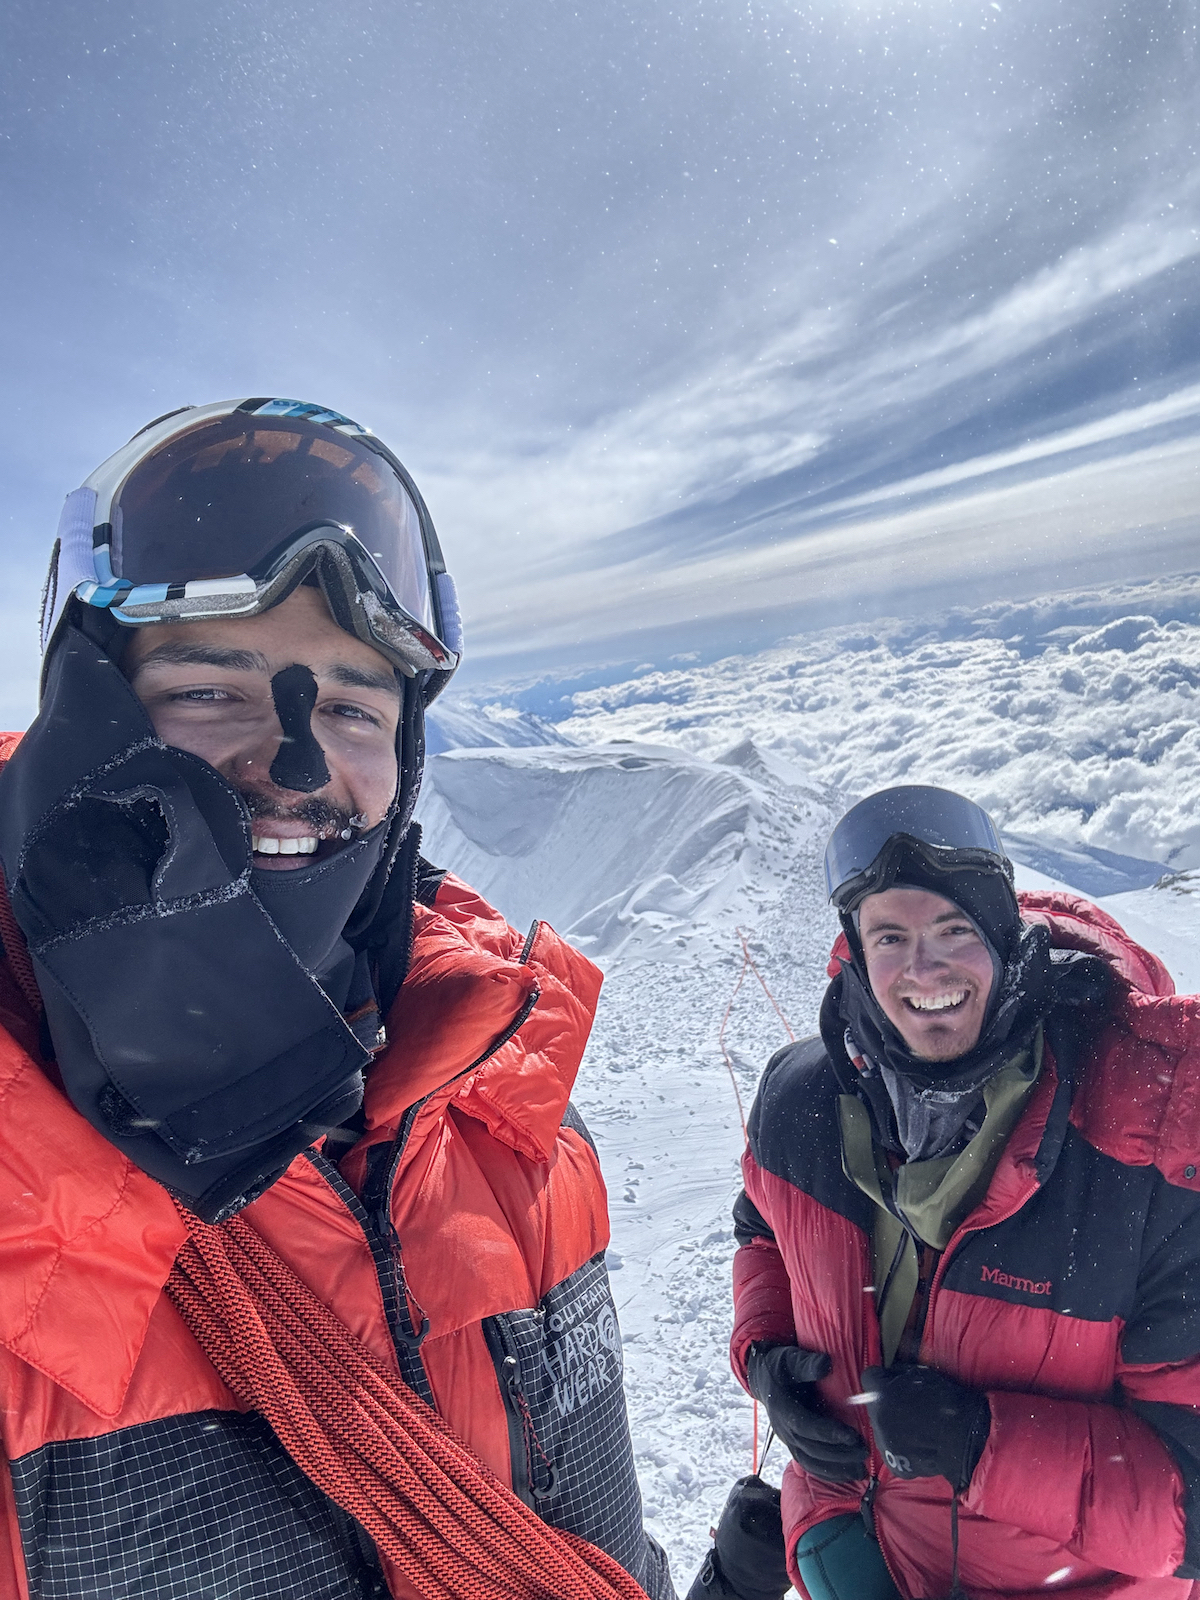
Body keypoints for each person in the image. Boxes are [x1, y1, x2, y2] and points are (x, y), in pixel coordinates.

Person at [0, 398, 673, 1600]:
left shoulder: (509, 1116)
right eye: (210, 689)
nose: (302, 765)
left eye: (354, 708)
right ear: (85, 717)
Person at [691, 784, 1200, 1600]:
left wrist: (981, 1445)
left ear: (1004, 938)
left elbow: (1192, 1503)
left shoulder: (1150, 1152)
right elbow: (762, 1231)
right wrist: (765, 1360)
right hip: (854, 1543)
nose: (923, 968)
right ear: (856, 953)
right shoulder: (801, 1103)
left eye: (953, 929)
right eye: (890, 936)